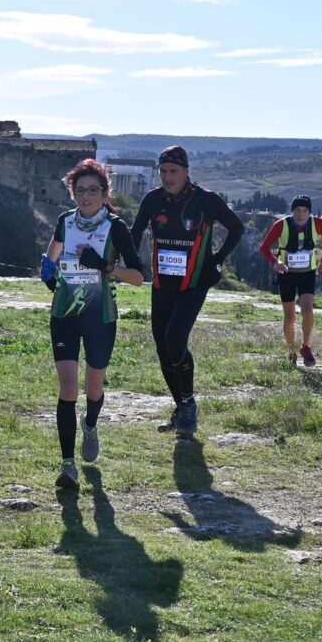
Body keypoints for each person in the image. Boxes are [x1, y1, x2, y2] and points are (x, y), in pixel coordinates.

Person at [40, 159, 145, 489]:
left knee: (93, 389)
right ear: (73, 193)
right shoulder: (64, 221)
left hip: (100, 317)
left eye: (93, 190)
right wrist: (47, 269)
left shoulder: (115, 227)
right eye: (80, 190)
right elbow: (52, 252)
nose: (86, 196)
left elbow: (139, 277)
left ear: (104, 193)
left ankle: (90, 424)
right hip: (64, 315)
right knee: (68, 388)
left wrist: (104, 266)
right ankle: (67, 465)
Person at [130, 146, 245, 440]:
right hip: (162, 284)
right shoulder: (153, 199)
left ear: (186, 172)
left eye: (174, 172)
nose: (168, 177)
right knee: (162, 348)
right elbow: (134, 232)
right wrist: (129, 263)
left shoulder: (204, 200)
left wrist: (217, 260)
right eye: (164, 172)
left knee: (174, 341)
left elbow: (236, 228)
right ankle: (181, 406)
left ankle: (189, 404)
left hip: (193, 283)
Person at [258, 194, 322, 367]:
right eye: (297, 210)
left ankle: (306, 346)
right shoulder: (281, 225)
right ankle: (291, 351)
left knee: (307, 310)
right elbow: (264, 247)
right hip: (287, 274)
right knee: (289, 317)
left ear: (309, 212)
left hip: (307, 273)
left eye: (305, 210)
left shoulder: (318, 224)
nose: (301, 214)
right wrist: (275, 262)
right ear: (292, 211)